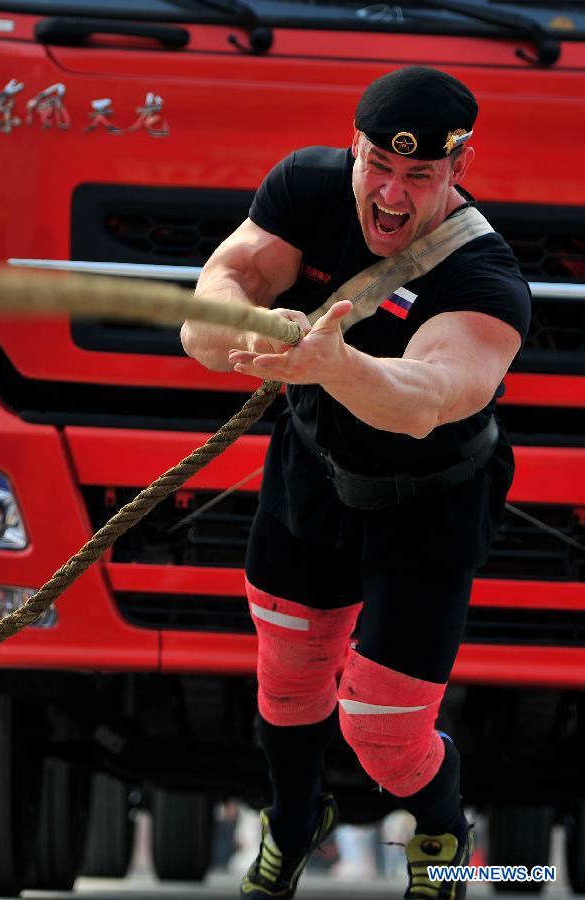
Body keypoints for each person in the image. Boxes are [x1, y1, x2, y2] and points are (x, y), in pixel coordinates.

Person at [180, 66, 531, 900]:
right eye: (379, 165)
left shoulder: (486, 277)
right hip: (313, 470)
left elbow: (424, 401)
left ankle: (444, 832)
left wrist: (333, 364)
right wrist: (247, 318)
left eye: (419, 177)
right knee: (289, 681)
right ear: (354, 146)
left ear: (459, 167)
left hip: (430, 501)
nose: (393, 195)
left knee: (381, 728)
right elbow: (209, 304)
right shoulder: (304, 186)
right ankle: (294, 825)